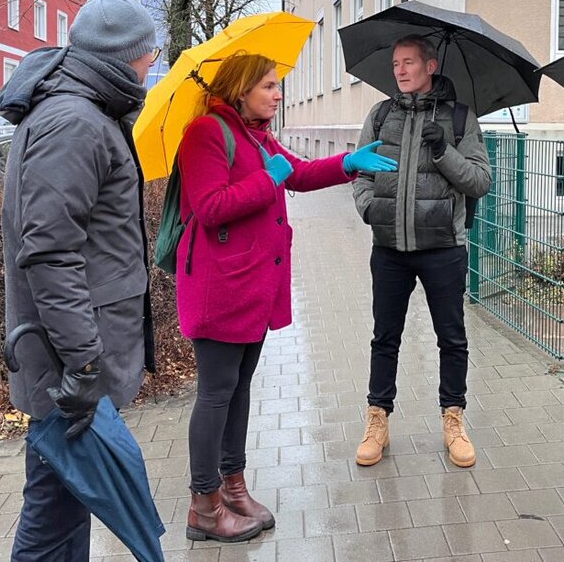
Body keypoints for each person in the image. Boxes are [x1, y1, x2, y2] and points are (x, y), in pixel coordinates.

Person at [176, 52, 396, 543]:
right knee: (215, 393)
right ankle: (203, 506)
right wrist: (267, 178)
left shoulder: (258, 136)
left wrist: (347, 163)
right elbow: (210, 208)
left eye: (278, 86)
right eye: (269, 86)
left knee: (239, 388)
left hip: (252, 286)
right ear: (241, 90)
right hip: (219, 288)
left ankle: (233, 487)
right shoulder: (206, 133)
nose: (279, 94)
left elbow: (299, 173)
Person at [0, 0, 160, 562]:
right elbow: (50, 253)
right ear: (127, 56)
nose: (151, 63)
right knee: (51, 516)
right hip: (67, 363)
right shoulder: (75, 122)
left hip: (69, 354)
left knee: (66, 508)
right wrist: (85, 363)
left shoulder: (85, 111)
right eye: (149, 53)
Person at [351, 34, 492, 469]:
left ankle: (453, 419)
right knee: (384, 337)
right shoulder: (380, 116)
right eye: (396, 62)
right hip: (389, 248)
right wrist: (370, 209)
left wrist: (443, 149)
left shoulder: (460, 118)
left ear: (430, 66)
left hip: (443, 248)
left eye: (409, 62)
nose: (400, 70)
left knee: (451, 338)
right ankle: (377, 419)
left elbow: (479, 182)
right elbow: (360, 172)